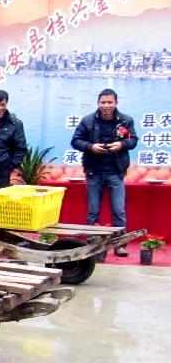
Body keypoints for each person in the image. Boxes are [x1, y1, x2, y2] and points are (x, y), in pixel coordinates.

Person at [71, 88, 138, 256]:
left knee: (119, 211)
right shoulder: (87, 120)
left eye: (110, 102)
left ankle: (120, 245)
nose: (106, 106)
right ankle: (94, 245)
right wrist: (91, 147)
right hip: (94, 172)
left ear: (116, 103)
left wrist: (121, 145)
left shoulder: (125, 120)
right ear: (98, 103)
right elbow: (75, 141)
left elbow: (133, 140)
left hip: (116, 172)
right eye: (103, 102)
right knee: (93, 212)